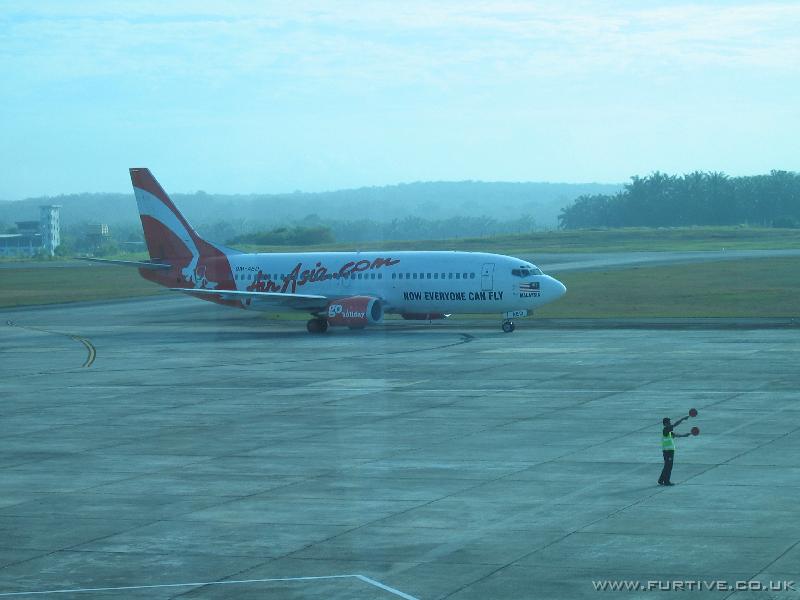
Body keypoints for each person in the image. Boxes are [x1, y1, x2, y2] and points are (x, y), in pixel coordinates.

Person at [659, 416, 691, 486]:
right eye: (669, 422)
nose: (670, 423)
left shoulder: (669, 432)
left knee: (666, 466)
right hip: (668, 451)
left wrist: (684, 435)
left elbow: (676, 435)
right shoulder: (666, 430)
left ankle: (661, 480)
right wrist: (682, 419)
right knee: (669, 466)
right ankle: (666, 481)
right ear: (665, 424)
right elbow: (675, 425)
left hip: (668, 451)